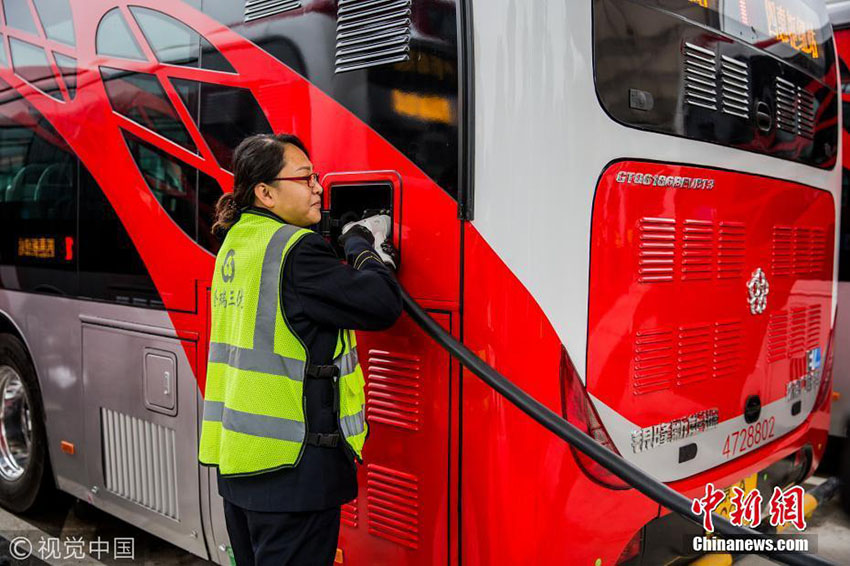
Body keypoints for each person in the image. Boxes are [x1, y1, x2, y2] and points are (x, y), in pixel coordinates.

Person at [198, 133, 402, 565]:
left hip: (241, 466)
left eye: (315, 177)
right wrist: (361, 243)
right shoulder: (297, 250)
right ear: (265, 193)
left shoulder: (235, 243)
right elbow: (382, 304)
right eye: (305, 178)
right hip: (294, 474)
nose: (317, 188)